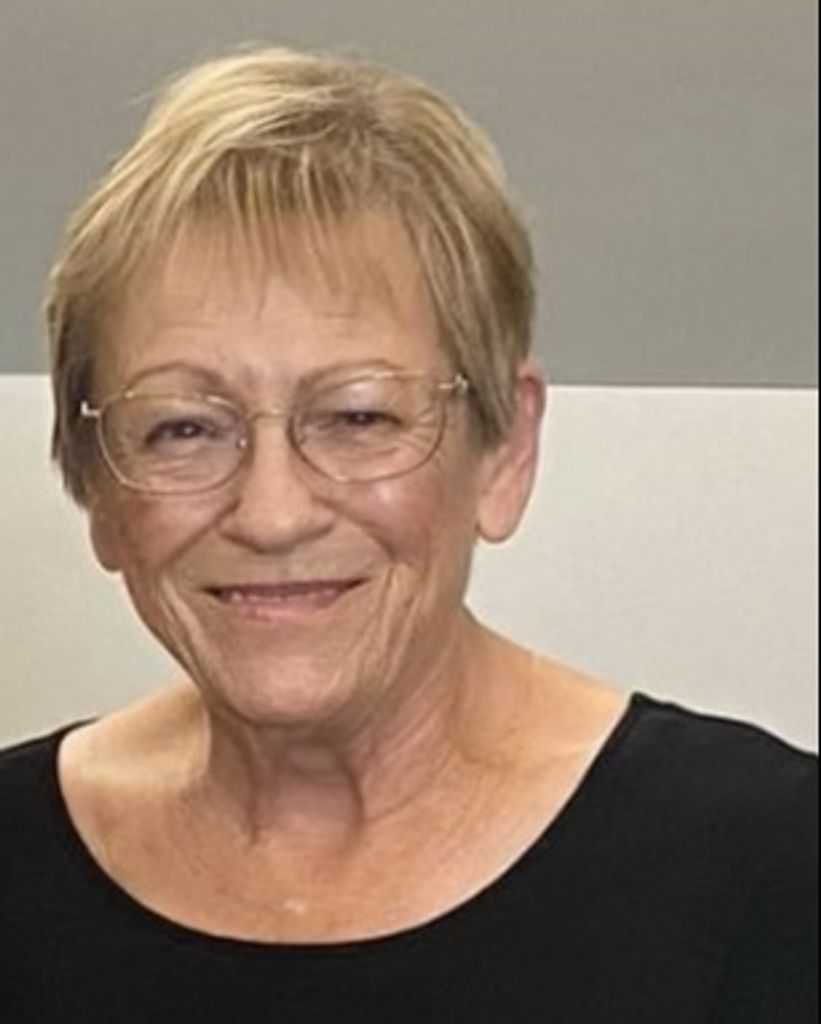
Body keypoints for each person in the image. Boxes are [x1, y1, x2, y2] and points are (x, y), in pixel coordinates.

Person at [0, 45, 816, 1023]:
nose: (272, 513)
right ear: (95, 484)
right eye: (182, 428)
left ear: (503, 450)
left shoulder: (767, 866)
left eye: (357, 416)